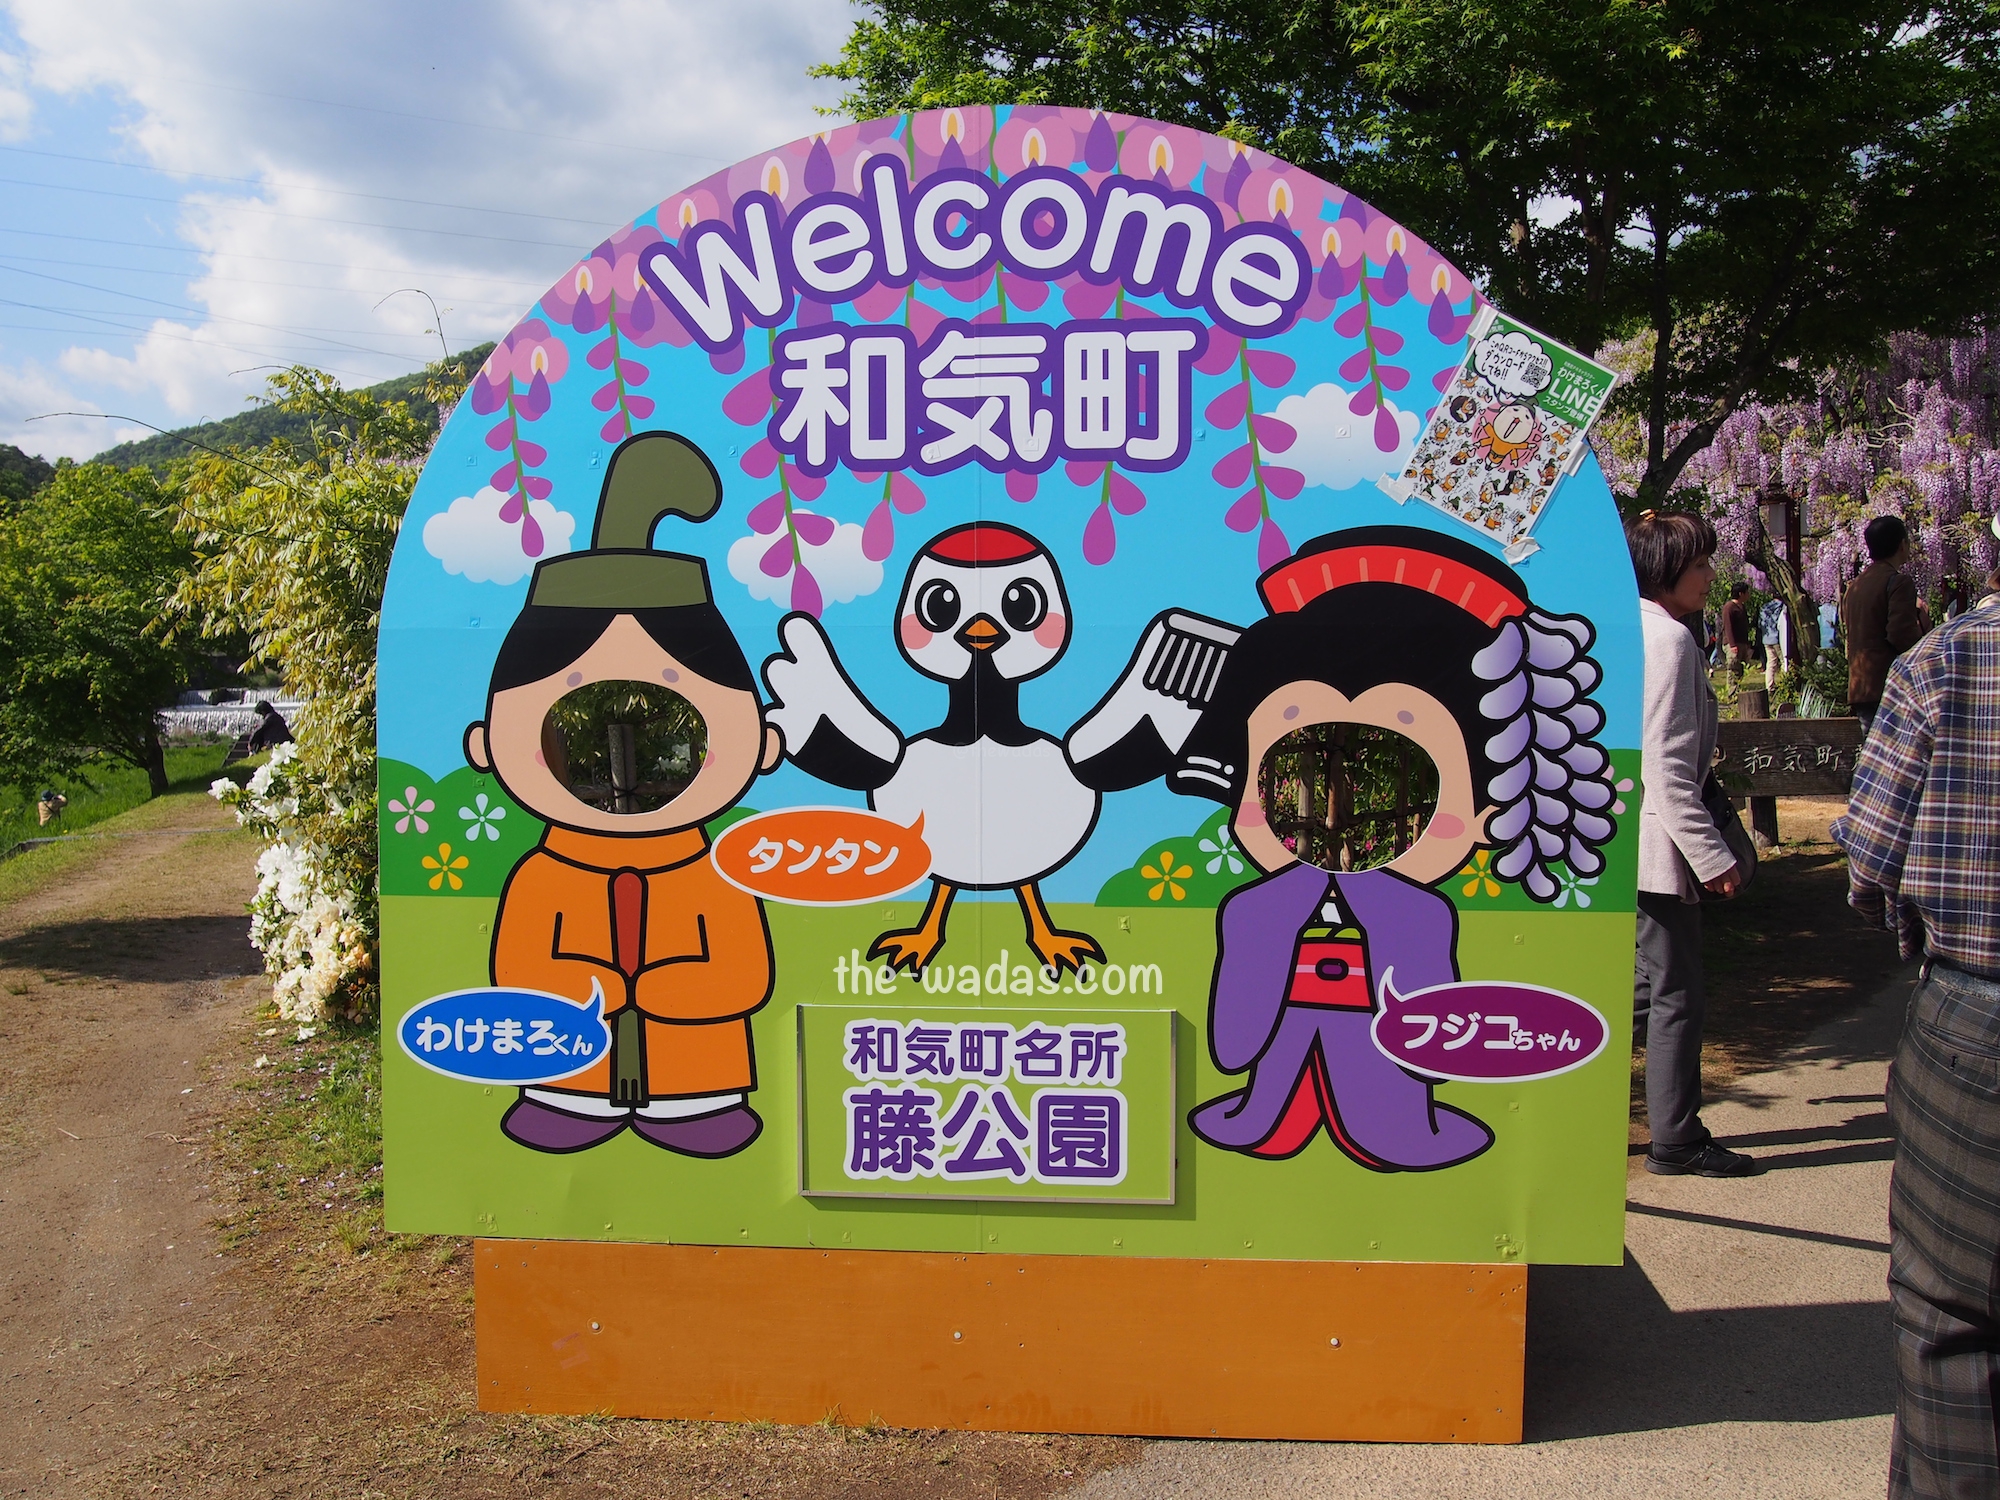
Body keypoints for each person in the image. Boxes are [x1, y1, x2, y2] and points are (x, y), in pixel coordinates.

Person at [465, 431, 782, 1159]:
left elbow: (744, 972)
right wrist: (595, 985)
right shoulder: (543, 876)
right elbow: (518, 969)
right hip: (568, 1067)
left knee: (697, 1090)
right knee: (563, 1085)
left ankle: (693, 1106)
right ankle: (568, 1100)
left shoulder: (717, 875)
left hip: (696, 1063)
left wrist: (666, 991)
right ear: (487, 746)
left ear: (761, 745)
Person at [1832, 591, 2000, 1496]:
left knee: (1950, 1313)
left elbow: (1871, 862)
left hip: (1976, 1017)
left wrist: (1909, 935)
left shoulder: (1944, 662)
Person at [1627, 510, 1754, 1177]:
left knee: (1646, 987)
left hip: (1628, 839)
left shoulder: (1630, 627)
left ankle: (1562, 1081)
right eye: (1699, 564)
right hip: (1659, 844)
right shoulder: (1670, 641)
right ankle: (1675, 1137)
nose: (1710, 576)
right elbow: (1667, 769)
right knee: (1678, 993)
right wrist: (1714, 858)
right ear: (1667, 569)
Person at [1842, 515, 1925, 730]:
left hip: (1861, 685)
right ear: (1902, 545)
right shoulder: (1898, 582)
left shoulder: (1855, 586)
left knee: (1873, 756)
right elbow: (1901, 635)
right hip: (1889, 686)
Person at [1719, 581, 1752, 678]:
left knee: (1741, 670)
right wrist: (1732, 645)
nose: (1748, 594)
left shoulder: (1742, 607)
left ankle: (1739, 691)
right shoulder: (1729, 607)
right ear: (1741, 593)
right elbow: (1728, 626)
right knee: (1734, 670)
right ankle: (1732, 692)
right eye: (1747, 592)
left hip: (1742, 643)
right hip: (1733, 644)